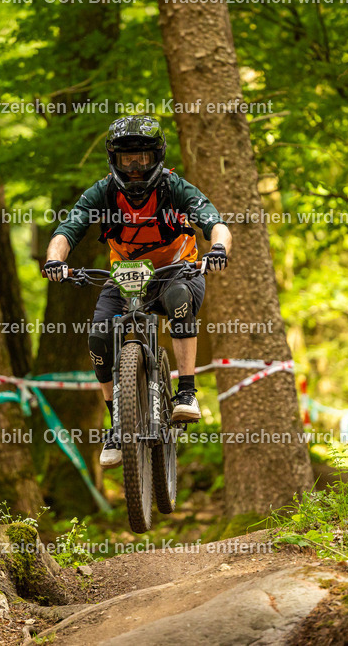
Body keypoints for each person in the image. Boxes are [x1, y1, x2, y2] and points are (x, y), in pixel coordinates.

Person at [42, 115, 232, 468]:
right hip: (125, 277)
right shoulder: (102, 192)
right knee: (99, 335)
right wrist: (55, 261)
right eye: (125, 160)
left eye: (142, 159)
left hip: (178, 272)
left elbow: (215, 222)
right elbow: (67, 231)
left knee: (179, 300)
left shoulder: (175, 188)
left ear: (157, 156)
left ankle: (186, 392)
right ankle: (117, 423)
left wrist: (218, 249)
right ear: (113, 159)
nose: (133, 168)